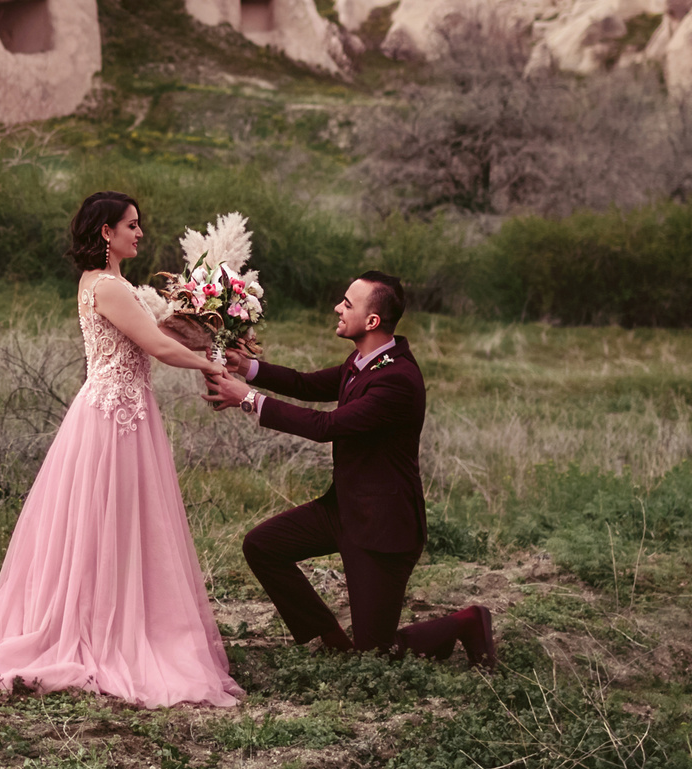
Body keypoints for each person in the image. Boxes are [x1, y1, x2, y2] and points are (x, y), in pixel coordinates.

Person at [0, 191, 245, 708]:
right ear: (106, 233)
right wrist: (212, 366)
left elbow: (168, 330)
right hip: (112, 418)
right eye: (132, 225)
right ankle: (100, 628)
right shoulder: (107, 287)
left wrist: (213, 333)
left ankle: (125, 614)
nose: (140, 233)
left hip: (124, 411)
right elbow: (160, 347)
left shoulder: (115, 284)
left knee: (122, 520)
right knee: (106, 518)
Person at [205, 272, 496, 668]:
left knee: (377, 655)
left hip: (382, 526)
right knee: (262, 545)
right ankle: (330, 637)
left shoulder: (397, 379)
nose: (337, 308)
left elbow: (326, 427)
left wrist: (249, 400)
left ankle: (466, 621)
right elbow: (307, 384)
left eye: (347, 303)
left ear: (372, 321)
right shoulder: (363, 361)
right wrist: (247, 368)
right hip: (342, 509)